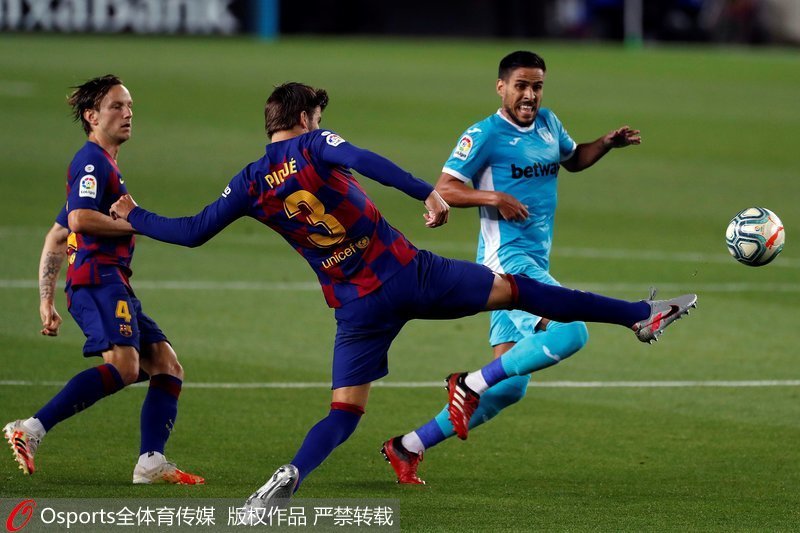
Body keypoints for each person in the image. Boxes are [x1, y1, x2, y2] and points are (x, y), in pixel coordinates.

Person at [108, 82, 695, 511]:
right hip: (409, 274)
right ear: (305, 118)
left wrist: (136, 216)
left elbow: (191, 231)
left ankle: (291, 473)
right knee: (523, 291)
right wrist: (426, 193)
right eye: (318, 115)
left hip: (354, 308)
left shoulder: (250, 180)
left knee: (344, 413)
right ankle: (638, 315)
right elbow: (365, 161)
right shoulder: (315, 144)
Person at [381, 50, 645, 484]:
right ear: (501, 87)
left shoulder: (549, 123)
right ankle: (467, 384)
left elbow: (573, 158)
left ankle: (407, 446)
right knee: (572, 331)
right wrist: (494, 197)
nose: (529, 95)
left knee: (508, 387)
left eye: (537, 86)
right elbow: (445, 188)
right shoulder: (485, 134)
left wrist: (604, 144)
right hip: (506, 262)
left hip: (533, 260)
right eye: (521, 85)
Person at [3, 75, 204, 485]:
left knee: (166, 364)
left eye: (129, 106)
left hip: (111, 282)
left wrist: (46, 299)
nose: (128, 113)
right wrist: (135, 222)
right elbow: (79, 219)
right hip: (97, 280)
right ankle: (30, 428)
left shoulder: (103, 165)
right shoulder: (92, 162)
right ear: (91, 116)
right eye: (117, 106)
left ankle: (150, 462)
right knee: (126, 367)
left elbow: (57, 234)